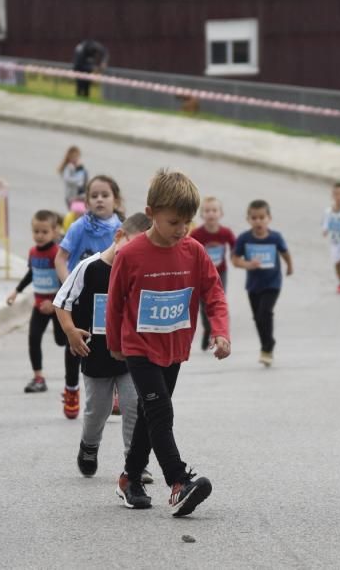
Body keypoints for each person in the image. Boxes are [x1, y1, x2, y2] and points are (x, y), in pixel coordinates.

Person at [107, 169, 230, 515]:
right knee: (160, 410)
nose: (181, 229)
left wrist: (220, 331)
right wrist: (115, 343)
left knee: (150, 415)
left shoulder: (193, 251)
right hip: (139, 347)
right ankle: (178, 481)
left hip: (174, 347)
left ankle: (129, 478)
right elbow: (115, 302)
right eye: (173, 221)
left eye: (186, 222)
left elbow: (214, 293)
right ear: (151, 213)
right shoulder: (130, 255)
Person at [53, 212, 153, 481]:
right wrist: (71, 331)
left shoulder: (138, 269)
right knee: (98, 409)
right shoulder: (89, 267)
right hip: (95, 353)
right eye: (133, 246)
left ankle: (135, 463)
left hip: (131, 353)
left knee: (134, 405)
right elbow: (62, 302)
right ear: (119, 236)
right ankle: (89, 445)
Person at [54, 176, 123, 418]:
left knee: (112, 343)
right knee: (77, 343)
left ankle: (116, 394)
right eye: (94, 196)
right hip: (82, 298)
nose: (100, 200)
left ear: (116, 199)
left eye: (105, 195)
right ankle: (72, 388)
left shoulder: (122, 229)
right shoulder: (79, 227)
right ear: (86, 202)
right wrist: (70, 286)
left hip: (111, 299)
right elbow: (60, 259)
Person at [7, 210, 68, 396]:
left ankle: (75, 371)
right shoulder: (33, 252)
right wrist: (16, 291)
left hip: (57, 306)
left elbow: (64, 281)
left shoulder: (57, 253)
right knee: (33, 338)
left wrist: (53, 302)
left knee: (61, 340)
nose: (39, 236)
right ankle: (38, 377)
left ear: (54, 232)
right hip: (39, 306)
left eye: (44, 232)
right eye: (36, 231)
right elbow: (31, 273)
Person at [232, 200, 293, 367]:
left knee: (265, 313)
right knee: (257, 318)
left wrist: (289, 266)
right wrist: (248, 264)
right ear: (248, 219)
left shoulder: (275, 237)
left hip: (273, 283)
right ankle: (267, 344)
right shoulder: (244, 238)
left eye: (262, 217)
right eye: (254, 218)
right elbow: (235, 260)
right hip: (253, 285)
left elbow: (285, 253)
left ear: (269, 218)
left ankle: (267, 348)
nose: (258, 221)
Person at [189, 197, 236, 351]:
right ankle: (208, 330)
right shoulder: (196, 234)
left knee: (218, 300)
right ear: (202, 215)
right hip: (202, 275)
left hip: (220, 272)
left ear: (220, 214)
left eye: (214, 210)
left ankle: (218, 332)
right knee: (203, 305)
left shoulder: (225, 232)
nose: (211, 214)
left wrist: (238, 258)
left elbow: (235, 247)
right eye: (207, 211)